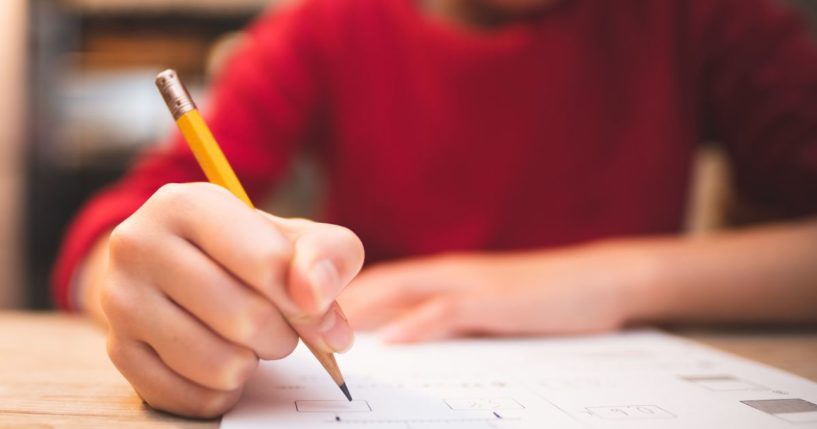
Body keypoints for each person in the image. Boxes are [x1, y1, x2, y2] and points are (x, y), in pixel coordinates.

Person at [54, 0, 817, 418]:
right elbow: (116, 232)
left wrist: (619, 279)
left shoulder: (704, 19)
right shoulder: (325, 25)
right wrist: (140, 283)